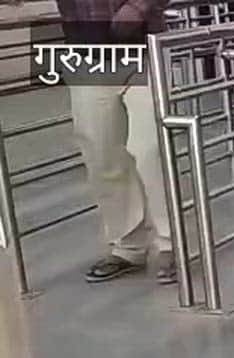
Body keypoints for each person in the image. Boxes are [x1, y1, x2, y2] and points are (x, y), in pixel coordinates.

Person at [49, 0, 177, 283]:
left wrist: (138, 7)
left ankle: (170, 242)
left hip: (144, 48)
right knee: (101, 151)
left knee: (151, 148)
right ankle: (128, 247)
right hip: (86, 53)